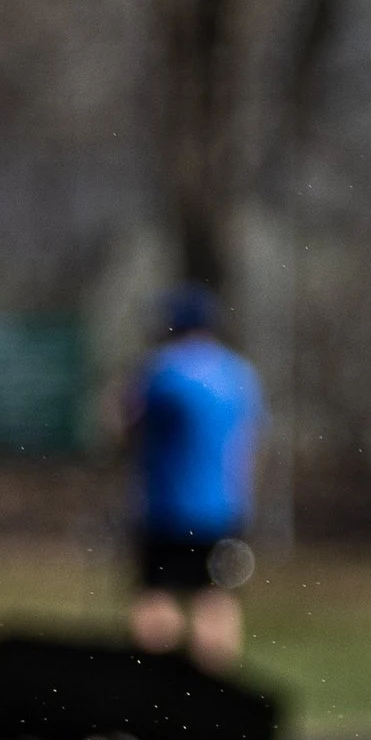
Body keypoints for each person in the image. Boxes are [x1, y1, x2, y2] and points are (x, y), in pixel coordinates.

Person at [123, 285, 265, 674]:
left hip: (166, 509)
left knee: (157, 598)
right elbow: (249, 444)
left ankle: (158, 690)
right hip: (224, 509)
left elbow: (127, 427)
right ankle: (214, 692)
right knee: (217, 598)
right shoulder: (240, 374)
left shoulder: (161, 371)